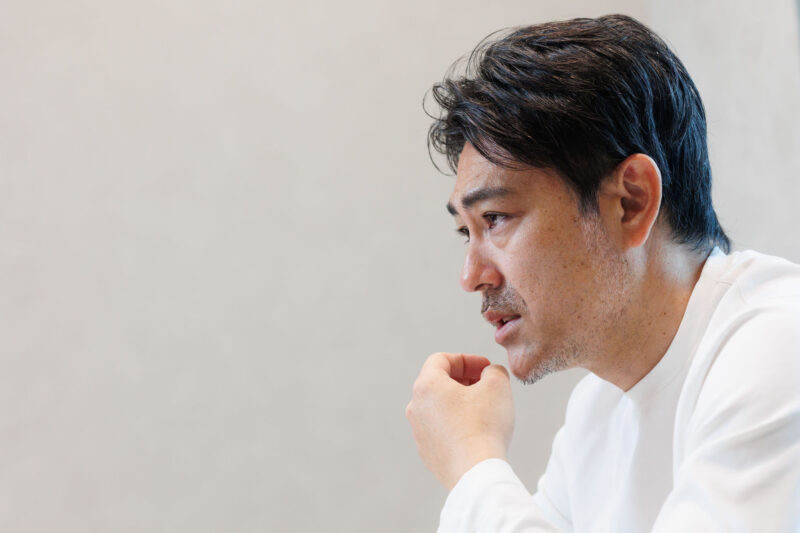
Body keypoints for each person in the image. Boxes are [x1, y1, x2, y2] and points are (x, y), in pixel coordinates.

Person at [405, 14, 800, 532]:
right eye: (467, 232)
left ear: (630, 202)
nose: (472, 276)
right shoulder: (596, 410)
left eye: (495, 218)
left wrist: (472, 466)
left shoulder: (779, 347)